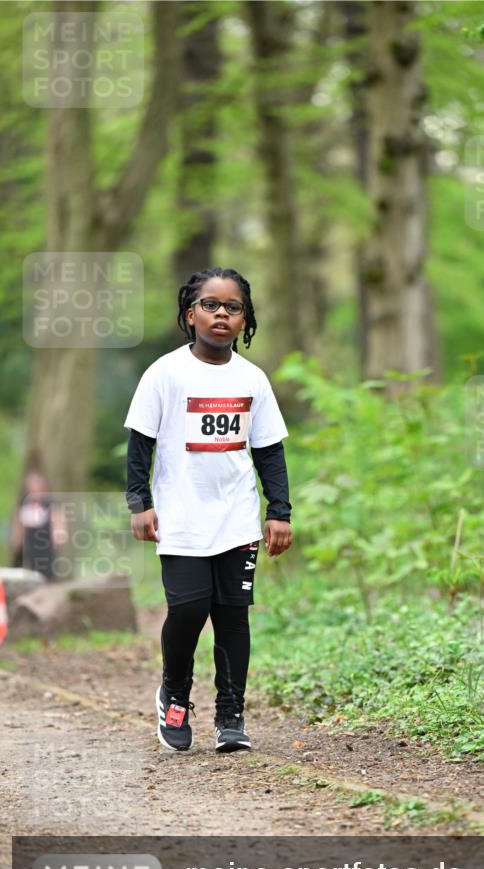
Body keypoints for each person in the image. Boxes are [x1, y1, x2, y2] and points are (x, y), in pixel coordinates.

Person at [124, 267, 292, 754]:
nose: (221, 314)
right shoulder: (165, 373)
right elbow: (141, 444)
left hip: (236, 517)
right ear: (191, 312)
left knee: (233, 616)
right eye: (211, 305)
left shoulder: (252, 379)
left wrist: (279, 511)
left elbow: (269, 452)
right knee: (189, 608)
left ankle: (230, 714)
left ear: (245, 318)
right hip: (181, 517)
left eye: (233, 307)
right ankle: (174, 697)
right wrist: (140, 503)